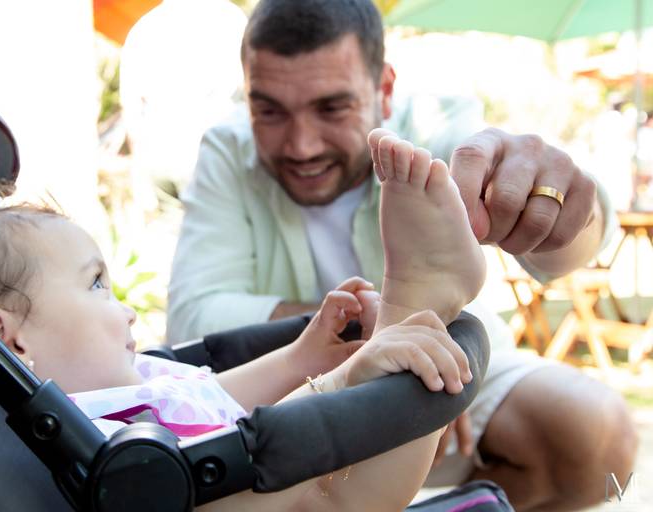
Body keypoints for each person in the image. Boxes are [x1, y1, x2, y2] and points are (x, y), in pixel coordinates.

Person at [166, 0, 638, 509]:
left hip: (455, 366)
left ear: (385, 90)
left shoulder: (437, 128)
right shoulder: (226, 151)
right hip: (289, 384)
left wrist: (568, 208)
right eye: (269, 111)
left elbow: (564, 250)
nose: (301, 145)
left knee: (595, 437)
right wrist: (383, 337)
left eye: (331, 107)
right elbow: (192, 320)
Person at [0, 164, 484, 510]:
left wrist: (302, 356)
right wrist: (344, 381)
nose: (127, 312)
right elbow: (225, 453)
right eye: (96, 285)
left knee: (355, 461)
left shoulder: (128, 386)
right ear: (10, 342)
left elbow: (212, 396)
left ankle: (418, 307)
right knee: (327, 496)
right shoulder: (76, 436)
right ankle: (417, 296)